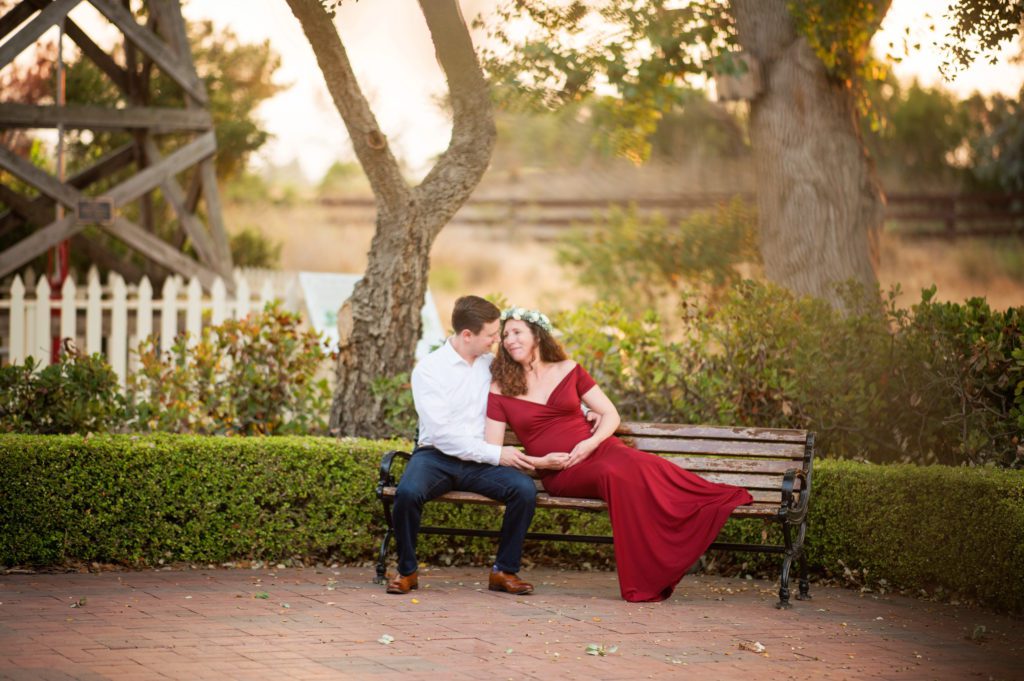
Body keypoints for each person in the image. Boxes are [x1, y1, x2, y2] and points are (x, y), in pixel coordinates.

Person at [485, 306, 754, 603]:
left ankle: (708, 502)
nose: (509, 340)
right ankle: (650, 573)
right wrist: (541, 463)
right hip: (562, 469)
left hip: (600, 448)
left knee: (643, 463)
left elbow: (610, 413)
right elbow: (495, 449)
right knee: (615, 474)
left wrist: (591, 442)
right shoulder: (500, 388)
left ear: (537, 335)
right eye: (505, 335)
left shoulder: (569, 369)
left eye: (517, 332)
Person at [386, 295, 539, 596]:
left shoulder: (493, 365)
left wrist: (585, 411)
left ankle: (504, 571)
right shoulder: (429, 369)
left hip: (479, 463)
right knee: (407, 493)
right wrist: (497, 454)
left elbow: (534, 392)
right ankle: (407, 570)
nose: (498, 340)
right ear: (467, 334)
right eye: (491, 334)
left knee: (523, 490)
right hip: (436, 457)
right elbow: (442, 435)